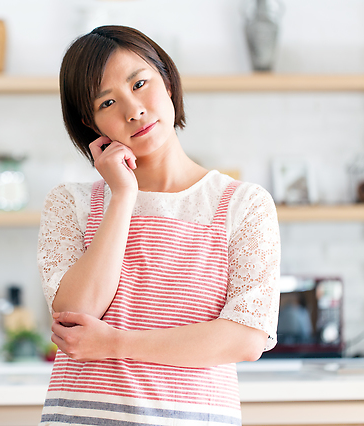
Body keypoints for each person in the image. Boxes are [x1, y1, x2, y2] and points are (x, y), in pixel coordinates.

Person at [37, 25, 280, 426]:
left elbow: (246, 337)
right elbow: (74, 315)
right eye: (108, 102)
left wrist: (114, 344)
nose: (133, 110)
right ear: (90, 122)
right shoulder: (71, 204)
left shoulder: (243, 205)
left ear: (167, 80)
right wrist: (122, 197)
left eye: (140, 83)